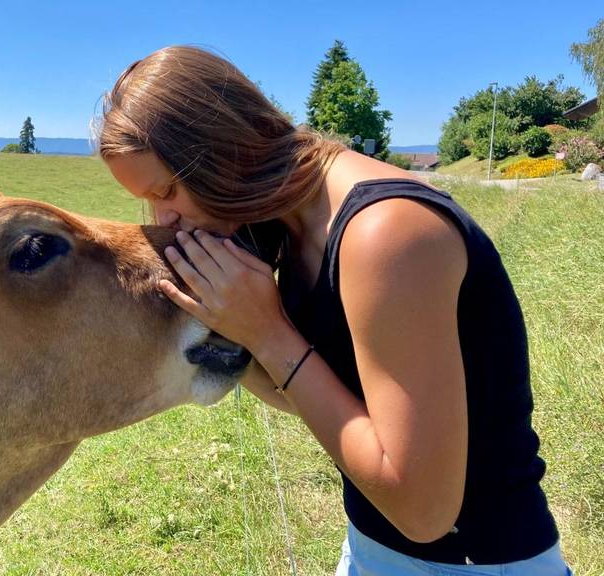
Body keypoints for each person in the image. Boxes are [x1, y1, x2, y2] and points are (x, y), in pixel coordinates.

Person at [96, 46, 570, 574]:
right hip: (373, 546)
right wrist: (233, 328)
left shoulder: (386, 234)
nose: (167, 219)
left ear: (223, 149)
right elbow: (308, 395)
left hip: (475, 562)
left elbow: (423, 511)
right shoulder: (294, 224)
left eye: (167, 191)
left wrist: (267, 332)